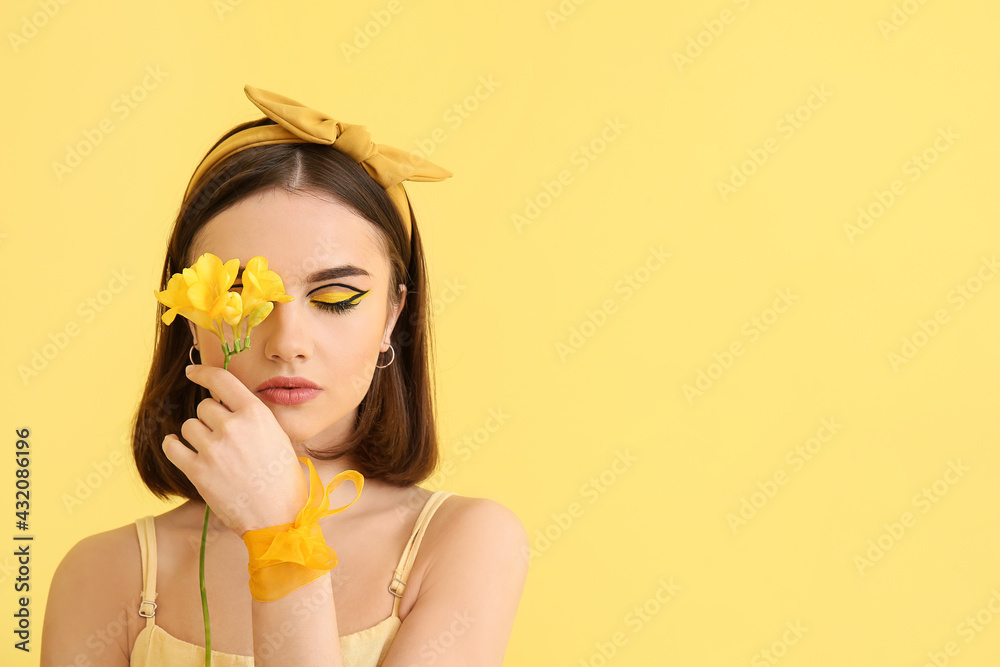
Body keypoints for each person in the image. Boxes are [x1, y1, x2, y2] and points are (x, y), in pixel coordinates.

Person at [40, 85, 530, 666]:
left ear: (392, 316)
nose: (288, 343)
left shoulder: (464, 543)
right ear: (190, 318)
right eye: (244, 295)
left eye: (337, 297)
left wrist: (280, 538)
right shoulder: (105, 575)